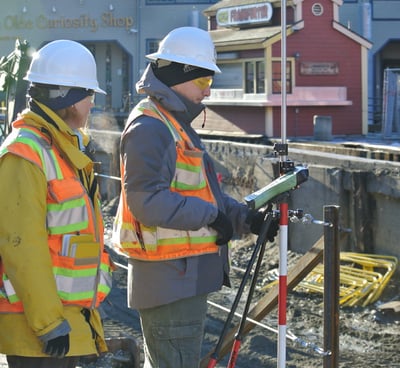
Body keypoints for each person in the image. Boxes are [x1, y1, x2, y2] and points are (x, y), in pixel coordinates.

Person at [111, 26, 278, 368]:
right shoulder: (151, 128)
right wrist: (211, 216)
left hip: (180, 280)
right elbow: (146, 201)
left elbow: (204, 192)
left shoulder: (173, 124)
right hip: (169, 283)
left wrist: (245, 218)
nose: (208, 91)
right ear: (177, 75)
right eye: (203, 81)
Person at [0, 40, 114, 368]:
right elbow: (21, 246)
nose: (92, 105)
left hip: (68, 322)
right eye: (88, 96)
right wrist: (49, 323)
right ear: (66, 97)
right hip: (39, 333)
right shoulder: (24, 153)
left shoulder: (62, 149)